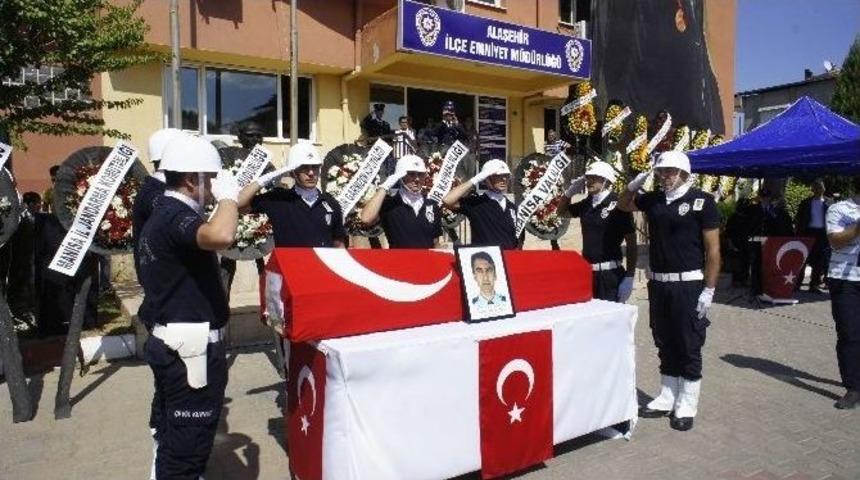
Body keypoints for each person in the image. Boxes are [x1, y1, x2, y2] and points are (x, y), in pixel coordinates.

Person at [138, 134, 240, 479]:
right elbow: (221, 236)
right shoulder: (174, 216)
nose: (212, 187)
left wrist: (236, 195)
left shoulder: (165, 209)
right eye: (208, 179)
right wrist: (228, 199)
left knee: (176, 444)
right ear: (189, 179)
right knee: (187, 453)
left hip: (181, 345)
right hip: (189, 352)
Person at [619, 150, 721, 432]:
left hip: (689, 284)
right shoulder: (653, 199)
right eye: (661, 172)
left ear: (684, 174)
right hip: (659, 283)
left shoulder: (702, 202)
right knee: (663, 338)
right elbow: (624, 205)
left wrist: (709, 290)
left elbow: (713, 251)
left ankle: (687, 402)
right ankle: (667, 395)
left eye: (670, 172)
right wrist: (633, 184)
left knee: (688, 343)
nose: (664, 177)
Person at [237, 142, 347, 248]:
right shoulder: (278, 200)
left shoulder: (331, 203)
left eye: (315, 167)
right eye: (304, 167)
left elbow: (339, 245)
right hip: (288, 266)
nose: (311, 173)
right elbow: (239, 204)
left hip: (320, 266)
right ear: (292, 171)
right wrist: (265, 179)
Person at [558, 161, 637, 303]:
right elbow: (561, 212)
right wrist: (569, 193)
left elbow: (631, 242)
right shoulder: (587, 203)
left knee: (611, 321)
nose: (589, 181)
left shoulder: (618, 203)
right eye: (588, 177)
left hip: (610, 274)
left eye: (594, 177)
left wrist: (630, 276)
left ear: (606, 180)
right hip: (588, 273)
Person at [825, 175, 860, 410]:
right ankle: (853, 387)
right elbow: (835, 241)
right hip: (845, 280)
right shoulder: (838, 209)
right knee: (849, 334)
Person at [360, 154, 442, 248]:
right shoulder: (390, 204)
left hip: (427, 261)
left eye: (420, 174)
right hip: (398, 261)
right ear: (401, 176)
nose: (417, 179)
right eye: (411, 174)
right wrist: (385, 186)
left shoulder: (431, 205)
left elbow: (435, 242)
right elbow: (366, 219)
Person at [795, 179, 832, 293]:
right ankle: (797, 284)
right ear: (812, 189)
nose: (817, 190)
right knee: (803, 259)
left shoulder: (829, 202)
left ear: (823, 189)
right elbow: (798, 218)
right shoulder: (805, 202)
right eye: (815, 187)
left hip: (822, 234)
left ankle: (814, 285)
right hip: (807, 232)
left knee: (819, 261)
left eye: (819, 187)